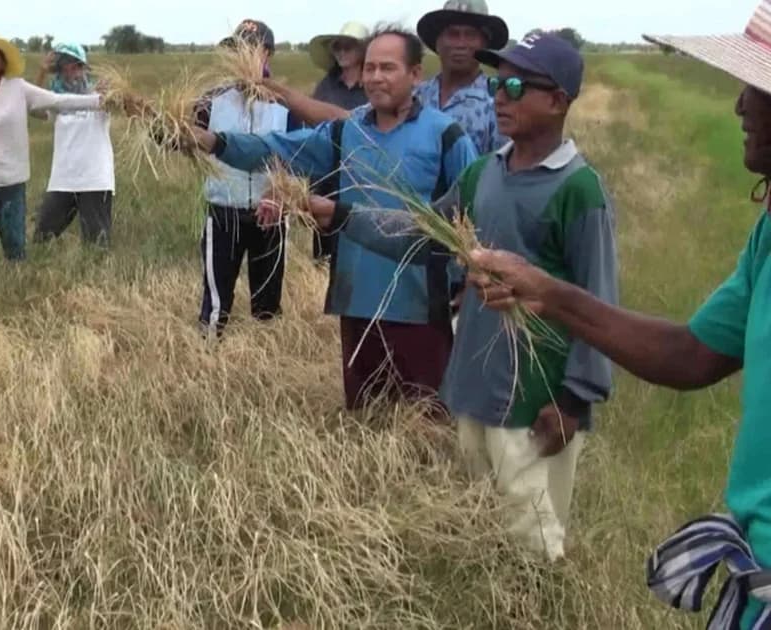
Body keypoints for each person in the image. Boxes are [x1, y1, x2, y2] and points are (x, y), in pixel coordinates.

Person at [466, 4, 771, 625]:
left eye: (757, 89)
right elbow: (691, 355)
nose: (740, 105)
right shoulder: (767, 237)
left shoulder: (579, 188)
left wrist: (574, 396)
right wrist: (550, 294)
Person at [269, 33, 615, 561]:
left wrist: (574, 400)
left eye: (517, 87)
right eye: (497, 85)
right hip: (473, 385)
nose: (500, 98)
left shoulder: (578, 189)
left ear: (558, 101)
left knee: (533, 542)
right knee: (480, 523)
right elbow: (422, 233)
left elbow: (599, 303)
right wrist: (341, 215)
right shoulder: (483, 174)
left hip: (535, 396)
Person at [189, 26, 477, 409]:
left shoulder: (445, 136)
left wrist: (469, 282)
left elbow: (474, 212)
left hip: (421, 305)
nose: (376, 77)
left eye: (388, 68)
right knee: (364, 417)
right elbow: (277, 148)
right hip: (356, 299)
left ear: (415, 74)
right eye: (370, 67)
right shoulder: (347, 131)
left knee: (425, 419)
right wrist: (214, 142)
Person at [187, 19, 304, 339]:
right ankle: (207, 351)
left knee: (268, 302)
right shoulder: (211, 100)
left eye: (251, 49)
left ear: (267, 54)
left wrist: (279, 193)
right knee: (216, 299)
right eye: (236, 49)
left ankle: (264, 352)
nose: (242, 56)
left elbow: (298, 157)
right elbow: (185, 141)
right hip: (223, 210)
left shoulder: (285, 105)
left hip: (271, 214)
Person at [0, 31, 103, 262]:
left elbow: (58, 100)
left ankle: (16, 277)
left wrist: (99, 100)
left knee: (14, 242)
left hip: (10, 177)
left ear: (2, 62)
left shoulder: (18, 88)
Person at [31, 42, 116, 248]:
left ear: (84, 67)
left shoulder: (101, 95)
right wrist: (42, 72)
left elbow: (123, 105)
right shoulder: (56, 99)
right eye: (65, 65)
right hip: (64, 178)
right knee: (42, 239)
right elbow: (34, 108)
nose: (71, 70)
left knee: (97, 246)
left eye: (76, 65)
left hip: (95, 179)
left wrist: (113, 90)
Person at [304, 21, 370, 262]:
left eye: (348, 47)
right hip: (326, 174)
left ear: (362, 50)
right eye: (337, 47)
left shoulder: (373, 87)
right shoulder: (326, 86)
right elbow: (311, 125)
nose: (341, 52)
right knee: (324, 250)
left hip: (362, 176)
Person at [416, 0, 509, 155]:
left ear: (484, 45)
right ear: (437, 42)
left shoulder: (498, 102)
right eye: (452, 34)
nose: (461, 44)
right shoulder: (414, 97)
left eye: (470, 35)